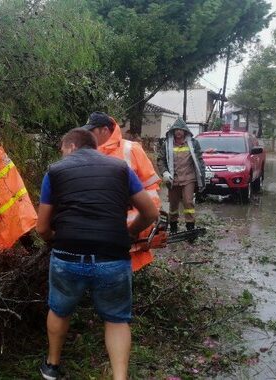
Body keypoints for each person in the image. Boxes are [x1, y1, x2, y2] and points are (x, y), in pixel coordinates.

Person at [36, 128, 158, 380]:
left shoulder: (55, 172)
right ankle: (120, 377)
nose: (62, 154)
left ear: (70, 146)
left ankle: (52, 366)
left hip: (67, 254)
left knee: (59, 309)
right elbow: (150, 212)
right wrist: (130, 234)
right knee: (116, 319)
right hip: (111, 255)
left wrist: (53, 240)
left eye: (62, 149)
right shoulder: (120, 169)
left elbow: (42, 227)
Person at [81, 112, 162, 271]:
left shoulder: (131, 149)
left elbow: (151, 194)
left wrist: (141, 232)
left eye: (91, 131)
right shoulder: (87, 154)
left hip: (131, 235)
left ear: (104, 130)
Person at [157, 118, 206, 233]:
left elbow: (199, 160)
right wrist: (164, 172)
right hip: (173, 179)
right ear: (173, 131)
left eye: (181, 130)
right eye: (176, 130)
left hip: (189, 178)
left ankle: (190, 226)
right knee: (173, 205)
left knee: (188, 202)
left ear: (185, 131)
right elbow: (160, 160)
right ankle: (173, 226)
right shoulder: (167, 144)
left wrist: (203, 178)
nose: (178, 132)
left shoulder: (193, 143)